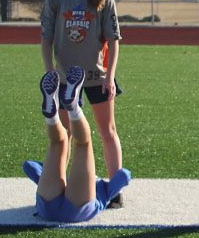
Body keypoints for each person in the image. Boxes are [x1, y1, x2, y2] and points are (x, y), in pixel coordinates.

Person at [40, 0, 125, 208]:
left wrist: (110, 76)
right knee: (64, 133)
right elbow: (46, 38)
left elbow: (114, 41)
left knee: (107, 131)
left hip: (96, 75)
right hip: (66, 78)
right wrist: (49, 71)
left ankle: (115, 189)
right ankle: (60, 186)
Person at [23, 66, 131, 223]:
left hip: (79, 206)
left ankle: (73, 108)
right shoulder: (91, 185)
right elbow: (29, 166)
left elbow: (123, 176)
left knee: (83, 143)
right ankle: (54, 116)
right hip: (49, 206)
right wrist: (45, 173)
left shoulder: (101, 186)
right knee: (57, 143)